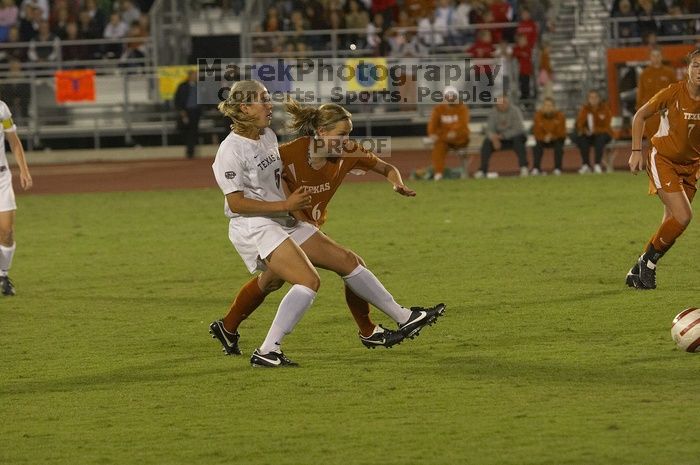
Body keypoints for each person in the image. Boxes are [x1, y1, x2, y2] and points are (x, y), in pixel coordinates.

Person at [211, 81, 444, 366]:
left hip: (282, 218)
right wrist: (286, 205)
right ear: (245, 107)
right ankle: (268, 350)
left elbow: (276, 180)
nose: (270, 105)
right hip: (255, 224)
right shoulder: (230, 150)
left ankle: (404, 318)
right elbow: (235, 204)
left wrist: (291, 208)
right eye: (263, 100)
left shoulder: (267, 136)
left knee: (345, 261)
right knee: (308, 281)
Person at [626, 48, 700, 290]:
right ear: (687, 69)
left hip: (691, 167)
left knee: (672, 223)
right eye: (696, 65)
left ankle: (638, 267)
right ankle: (648, 264)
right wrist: (636, 151)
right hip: (664, 160)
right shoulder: (673, 92)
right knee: (683, 216)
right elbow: (639, 116)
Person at [0, 99, 33, 295]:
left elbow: (13, 140)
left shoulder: (2, 108)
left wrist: (24, 170)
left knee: (6, 231)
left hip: (1, 178)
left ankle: (3, 274)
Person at [476, 94, 528, 178]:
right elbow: (489, 129)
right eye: (500, 103)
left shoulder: (515, 111)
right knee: (486, 143)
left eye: (504, 102)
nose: (502, 104)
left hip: (513, 138)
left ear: (508, 102)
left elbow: (519, 128)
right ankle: (482, 170)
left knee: (519, 139)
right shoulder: (493, 112)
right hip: (498, 140)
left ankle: (524, 167)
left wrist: (503, 136)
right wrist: (493, 138)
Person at [427, 86, 470, 181]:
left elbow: (463, 124)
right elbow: (432, 124)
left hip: (459, 138)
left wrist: (454, 131)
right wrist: (432, 133)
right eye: (448, 96)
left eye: (452, 96)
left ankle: (464, 171)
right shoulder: (438, 109)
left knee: (462, 138)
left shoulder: (462, 108)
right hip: (444, 139)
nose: (450, 98)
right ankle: (438, 173)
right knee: (438, 148)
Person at [636, 47, 677, 140]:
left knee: (668, 139)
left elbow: (675, 91)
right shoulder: (645, 74)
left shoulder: (669, 72)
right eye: (653, 56)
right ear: (650, 57)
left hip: (667, 111)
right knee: (652, 140)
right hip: (651, 113)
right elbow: (640, 92)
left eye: (658, 55)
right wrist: (639, 110)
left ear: (662, 57)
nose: (656, 58)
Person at [573, 90, 612, 174]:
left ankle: (597, 164)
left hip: (603, 134)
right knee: (582, 139)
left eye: (595, 97)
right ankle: (586, 164)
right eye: (591, 97)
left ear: (599, 99)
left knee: (600, 139)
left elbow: (606, 126)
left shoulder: (605, 109)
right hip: (589, 135)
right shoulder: (584, 109)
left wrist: (595, 130)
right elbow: (579, 124)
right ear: (588, 99)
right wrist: (585, 131)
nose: (593, 99)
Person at [531, 97, 566, 176]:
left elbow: (562, 132)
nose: (548, 107)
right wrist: (544, 137)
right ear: (542, 107)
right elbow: (536, 132)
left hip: (557, 139)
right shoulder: (537, 116)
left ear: (554, 107)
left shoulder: (560, 116)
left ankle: (558, 168)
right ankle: (536, 168)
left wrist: (552, 136)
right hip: (542, 139)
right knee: (537, 147)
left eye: (550, 105)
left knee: (559, 147)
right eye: (546, 105)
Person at [174, 70, 201, 159]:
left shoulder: (200, 86)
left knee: (193, 131)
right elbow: (177, 99)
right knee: (184, 130)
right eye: (194, 75)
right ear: (190, 76)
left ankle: (190, 151)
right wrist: (181, 110)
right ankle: (189, 148)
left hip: (196, 112)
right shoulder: (183, 86)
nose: (196, 77)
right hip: (186, 111)